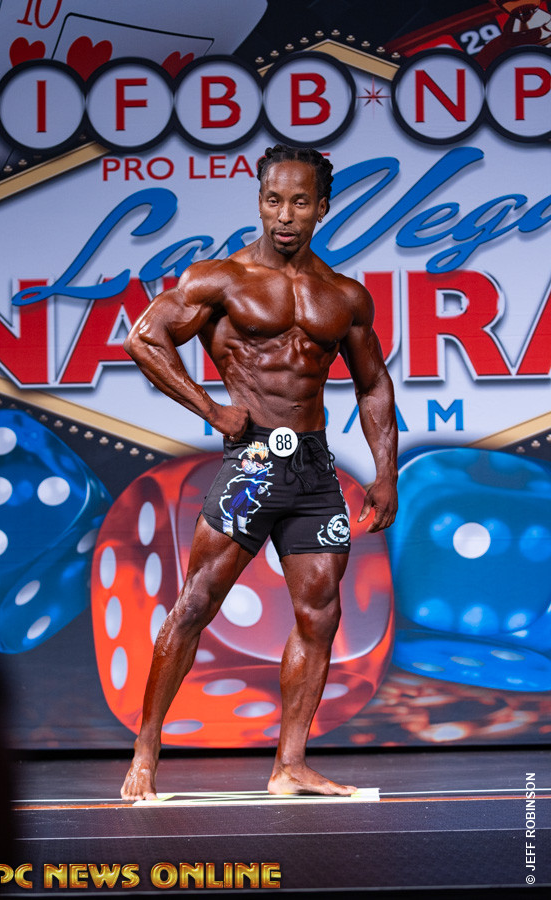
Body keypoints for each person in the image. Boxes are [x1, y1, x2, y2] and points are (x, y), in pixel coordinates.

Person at [121, 144, 398, 800]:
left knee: (320, 613)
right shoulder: (221, 279)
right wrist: (210, 408)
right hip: (252, 462)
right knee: (197, 601)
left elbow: (373, 384)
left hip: (314, 470)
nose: (285, 214)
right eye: (274, 199)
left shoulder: (344, 296)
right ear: (260, 201)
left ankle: (289, 764)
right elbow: (144, 338)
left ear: (322, 207)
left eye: (300, 201)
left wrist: (385, 472)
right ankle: (146, 752)